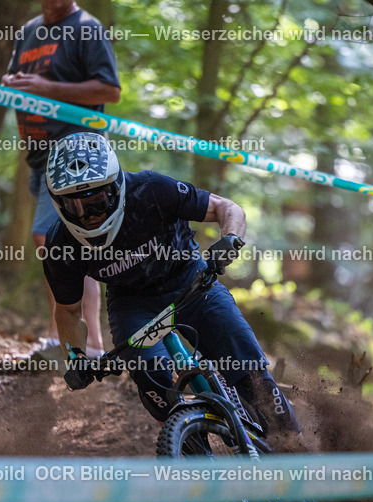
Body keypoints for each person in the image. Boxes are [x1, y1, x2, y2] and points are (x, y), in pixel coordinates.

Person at [41, 132, 301, 442]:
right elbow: (68, 312)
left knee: (250, 374)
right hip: (132, 304)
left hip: (192, 282)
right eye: (76, 205)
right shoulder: (61, 245)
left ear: (117, 185)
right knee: (154, 384)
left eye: (98, 200)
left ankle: (296, 451)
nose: (91, 215)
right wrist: (76, 357)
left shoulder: (151, 191)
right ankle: (193, 453)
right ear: (58, 203)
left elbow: (226, 208)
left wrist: (230, 240)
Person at [1, 0, 120, 357]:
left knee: (58, 243)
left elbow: (109, 90)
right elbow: (16, 80)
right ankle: (68, 340)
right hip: (39, 158)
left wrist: (48, 89)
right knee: (62, 247)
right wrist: (12, 84)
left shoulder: (87, 28)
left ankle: (86, 344)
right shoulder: (29, 30)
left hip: (78, 157)